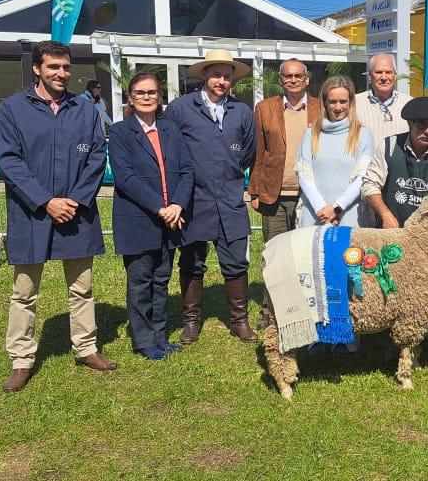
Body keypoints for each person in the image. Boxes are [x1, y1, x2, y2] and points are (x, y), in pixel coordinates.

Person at [0, 41, 117, 393]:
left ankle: (86, 348)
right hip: (31, 212)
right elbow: (9, 160)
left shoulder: (84, 109)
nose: (61, 74)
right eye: (53, 67)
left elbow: (96, 158)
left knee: (82, 287)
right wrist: (46, 200)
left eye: (65, 67)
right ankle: (21, 359)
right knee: (25, 291)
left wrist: (74, 201)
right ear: (37, 69)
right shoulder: (12, 109)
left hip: (76, 213)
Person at [361, 96, 428, 368]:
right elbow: (369, 185)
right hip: (394, 234)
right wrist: (385, 215)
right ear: (410, 124)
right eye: (422, 126)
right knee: (388, 285)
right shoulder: (388, 146)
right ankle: (390, 341)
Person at [164, 49, 257, 345]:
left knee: (236, 263)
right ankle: (191, 321)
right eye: (216, 75)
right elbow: (169, 151)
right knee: (191, 262)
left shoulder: (241, 112)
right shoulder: (181, 108)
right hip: (192, 200)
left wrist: (227, 169)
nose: (222, 81)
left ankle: (239, 320)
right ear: (204, 75)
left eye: (227, 76)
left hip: (229, 198)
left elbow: (249, 152)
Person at [109, 73, 195, 360]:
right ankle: (143, 339)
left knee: (162, 280)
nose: (146, 97)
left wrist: (178, 205)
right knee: (140, 281)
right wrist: (161, 207)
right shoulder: (121, 132)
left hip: (171, 220)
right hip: (139, 219)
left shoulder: (171, 130)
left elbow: (186, 171)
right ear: (130, 98)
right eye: (140, 93)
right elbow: (126, 178)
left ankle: (159, 334)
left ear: (160, 98)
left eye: (152, 93)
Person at [249, 58, 321, 330]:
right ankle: (270, 312)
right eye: (287, 76)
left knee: (306, 256)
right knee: (276, 257)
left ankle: (307, 308)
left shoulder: (320, 108)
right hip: (274, 196)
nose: (293, 80)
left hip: (310, 197)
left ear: (306, 80)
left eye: (298, 76)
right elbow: (257, 152)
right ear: (280, 80)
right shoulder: (265, 109)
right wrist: (254, 189)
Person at [296, 75, 374, 228]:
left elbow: (363, 178)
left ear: (350, 102)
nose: (338, 108)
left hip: (351, 216)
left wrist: (337, 207)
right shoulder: (311, 134)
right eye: (332, 102)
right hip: (315, 216)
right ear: (325, 102)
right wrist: (323, 211)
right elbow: (304, 175)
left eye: (343, 101)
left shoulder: (362, 134)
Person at [355, 53, 413, 143]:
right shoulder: (355, 103)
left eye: (388, 72)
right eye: (378, 72)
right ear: (370, 76)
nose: (384, 77)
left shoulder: (409, 103)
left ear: (395, 75)